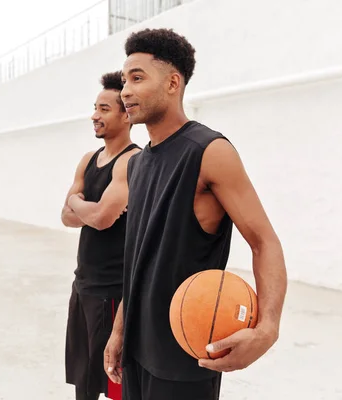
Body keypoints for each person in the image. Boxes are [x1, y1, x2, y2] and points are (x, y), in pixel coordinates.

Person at [103, 28, 288, 400]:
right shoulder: (137, 164)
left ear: (173, 82)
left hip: (186, 354)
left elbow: (264, 241)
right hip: (137, 349)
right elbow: (137, 259)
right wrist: (120, 330)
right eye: (124, 80)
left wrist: (267, 328)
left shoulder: (208, 151)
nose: (125, 91)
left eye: (137, 78)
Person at [62, 70, 141, 400]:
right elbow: (66, 217)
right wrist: (83, 209)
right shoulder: (88, 160)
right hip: (83, 286)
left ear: (126, 114)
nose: (95, 115)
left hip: (112, 293)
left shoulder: (132, 161)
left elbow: (103, 218)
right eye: (95, 107)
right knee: (84, 383)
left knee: (117, 385)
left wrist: (78, 203)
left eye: (105, 109)